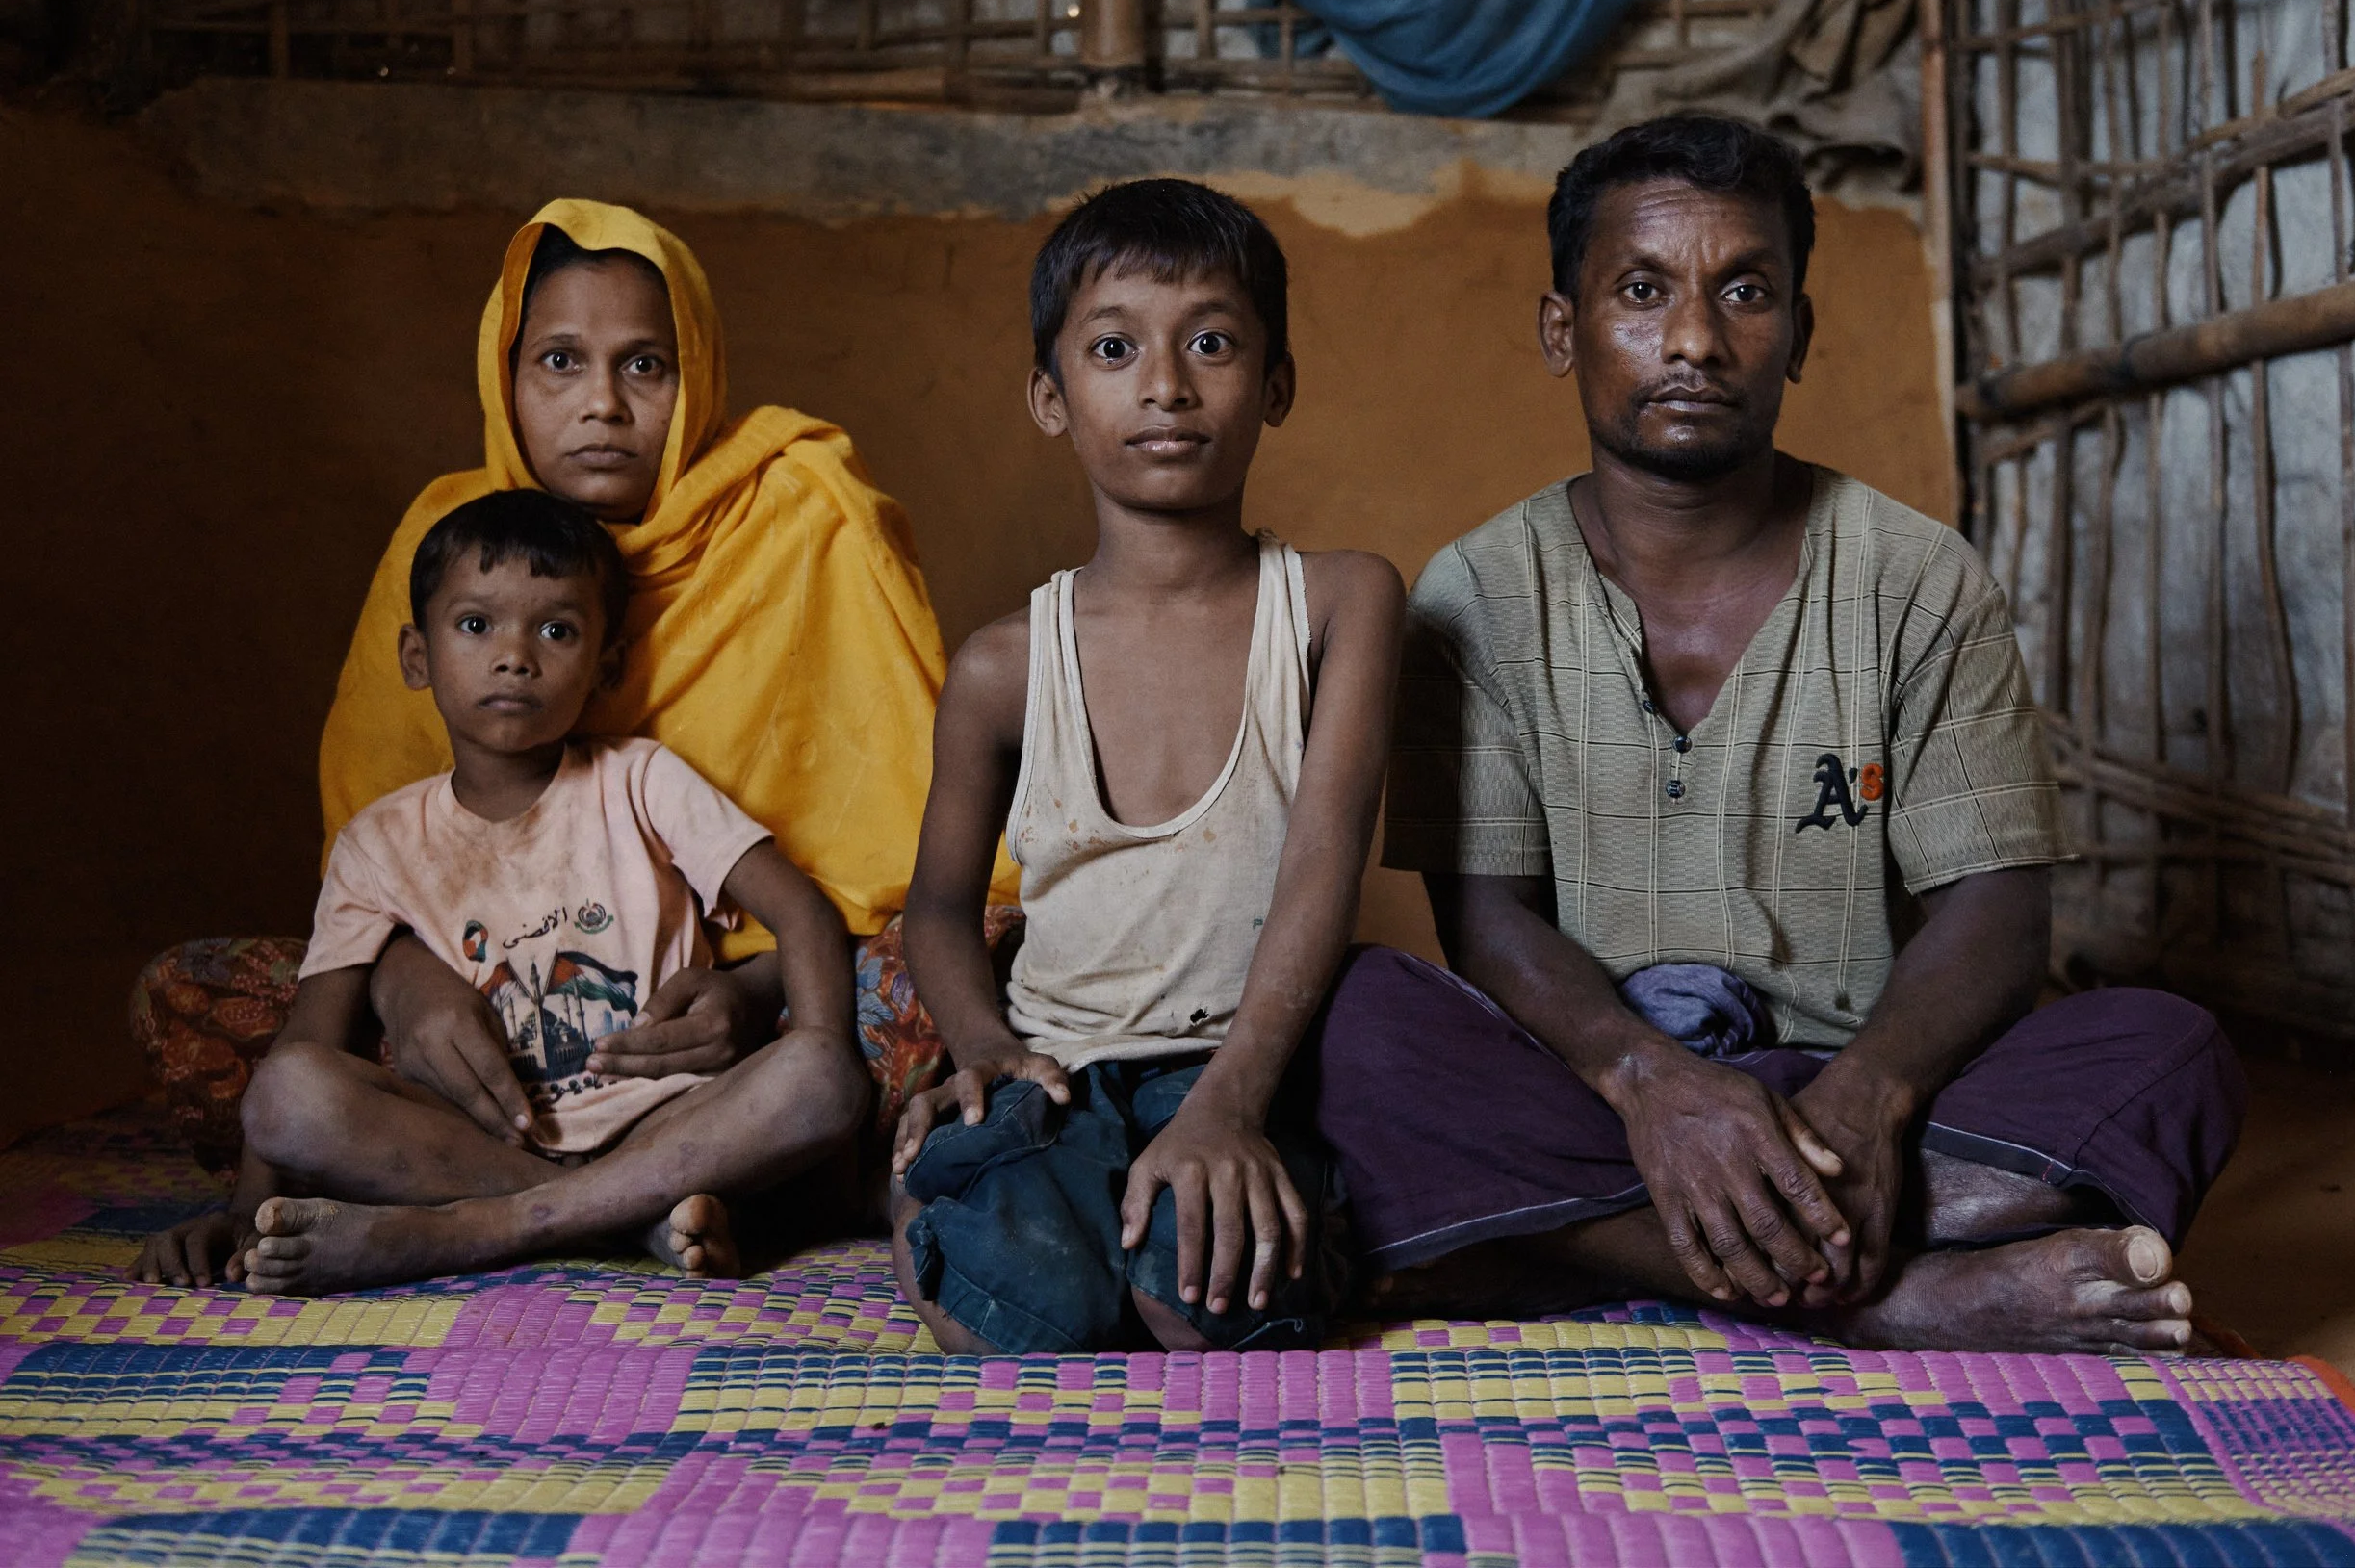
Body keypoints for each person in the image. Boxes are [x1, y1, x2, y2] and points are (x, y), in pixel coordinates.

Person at [1310, 115, 2244, 1353]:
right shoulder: (1475, 593)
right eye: (1641, 291)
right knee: (1357, 1023)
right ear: (1561, 329)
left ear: (1798, 332)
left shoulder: (1914, 577)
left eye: (1743, 290)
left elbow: (1999, 912)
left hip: (1864, 1092)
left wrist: (1871, 1097)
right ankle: (1895, 1296)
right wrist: (1649, 1083)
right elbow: (1484, 917)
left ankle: (1578, 1245)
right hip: (1597, 1088)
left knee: (2170, 1047)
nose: (1693, 339)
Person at [134, 200, 1003, 1286]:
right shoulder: (447, 529)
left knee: (967, 972)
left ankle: (474, 1210)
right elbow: (368, 860)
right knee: (200, 996)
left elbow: (887, 874)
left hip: (733, 1011)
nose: (602, 402)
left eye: (646, 364)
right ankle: (646, 1203)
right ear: (505, 377)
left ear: (698, 371)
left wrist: (748, 996)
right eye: (557, 361)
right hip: (477, 1010)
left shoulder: (796, 507)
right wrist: (405, 978)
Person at [887, 179, 1404, 1354]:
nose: (1165, 384)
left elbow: (1325, 864)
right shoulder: (1002, 665)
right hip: (1055, 1071)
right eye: (1114, 347)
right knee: (1038, 1313)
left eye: (1210, 342)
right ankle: (924, 1186)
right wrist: (980, 1051)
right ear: (1049, 395)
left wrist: (1229, 1103)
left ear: (1274, 383)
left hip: (1244, 1066)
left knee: (1207, 1307)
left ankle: (1143, 1200)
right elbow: (936, 907)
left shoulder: (1339, 603)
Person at [221, 490, 867, 1293]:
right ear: (416, 657)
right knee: (286, 1096)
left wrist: (819, 1058)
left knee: (821, 1075)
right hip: (486, 1143)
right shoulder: (376, 842)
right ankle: (631, 1217)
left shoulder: (641, 780)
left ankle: (464, 1232)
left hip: (667, 1121)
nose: (515, 655)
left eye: (556, 630)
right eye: (475, 625)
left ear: (606, 665)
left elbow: (801, 911)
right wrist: (247, 1216)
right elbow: (309, 1041)